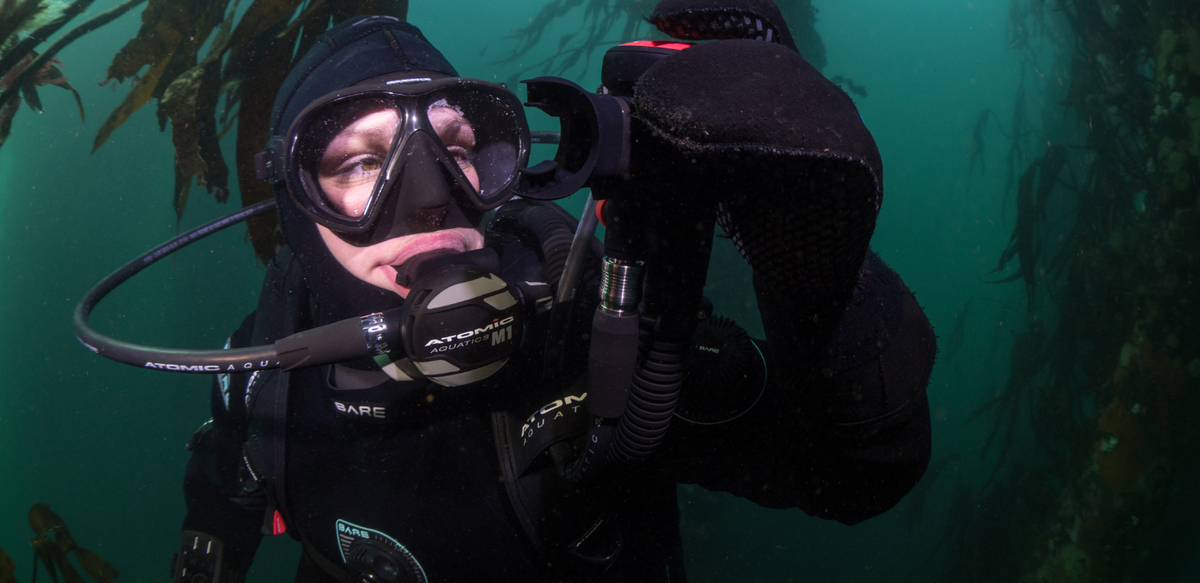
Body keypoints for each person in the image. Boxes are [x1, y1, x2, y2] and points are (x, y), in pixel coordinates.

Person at [174, 4, 935, 582]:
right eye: (361, 163)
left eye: (460, 147)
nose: (431, 196)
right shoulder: (263, 375)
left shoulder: (593, 342)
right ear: (298, 208)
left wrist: (813, 264)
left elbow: (860, 473)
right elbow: (220, 502)